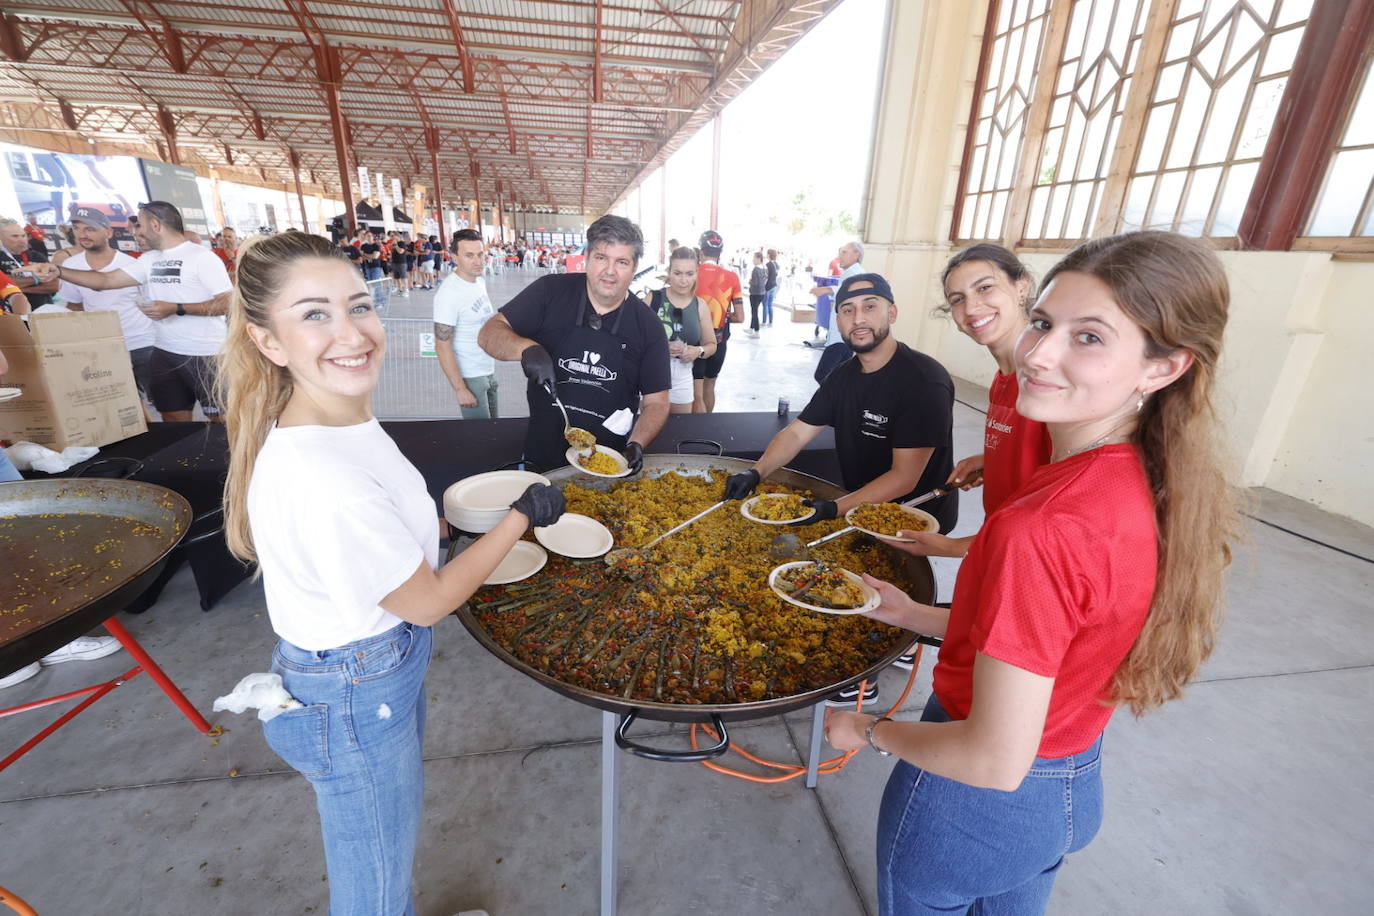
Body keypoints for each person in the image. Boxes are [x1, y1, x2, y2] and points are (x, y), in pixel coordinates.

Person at [825, 232, 1239, 915]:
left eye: (1091, 337)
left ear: (1162, 368)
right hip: (1071, 782)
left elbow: (993, 757)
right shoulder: (1151, 483)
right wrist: (910, 614)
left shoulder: (1040, 525)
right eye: (1045, 323)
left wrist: (866, 730)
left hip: (972, 806)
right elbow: (1049, 643)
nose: (1040, 353)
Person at [218, 230, 562, 916]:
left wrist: (437, 529)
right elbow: (428, 603)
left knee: (388, 849)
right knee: (372, 890)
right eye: (314, 314)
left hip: (371, 672)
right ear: (269, 342)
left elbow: (384, 533)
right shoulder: (319, 472)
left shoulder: (338, 418)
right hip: (352, 688)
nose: (351, 333)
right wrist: (521, 517)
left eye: (357, 306)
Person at [724, 272, 956, 704]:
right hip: (860, 500)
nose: (858, 318)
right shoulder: (843, 375)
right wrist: (757, 473)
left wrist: (835, 510)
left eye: (870, 307)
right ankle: (897, 637)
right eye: (848, 310)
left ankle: (860, 681)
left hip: (913, 514)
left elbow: (905, 478)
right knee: (861, 580)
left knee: (887, 583)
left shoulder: (923, 380)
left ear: (892, 312)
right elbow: (796, 433)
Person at [478, 214, 670, 472]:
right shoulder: (550, 292)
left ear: (634, 268)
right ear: (587, 257)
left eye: (622, 262)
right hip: (542, 454)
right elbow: (489, 333)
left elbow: (657, 402)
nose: (610, 271)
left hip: (608, 462)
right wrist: (526, 349)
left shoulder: (648, 326)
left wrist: (637, 443)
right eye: (601, 258)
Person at [33, 201, 233, 422]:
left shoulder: (201, 257)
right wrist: (58, 270)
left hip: (206, 354)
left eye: (140, 226)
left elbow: (228, 303)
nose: (136, 232)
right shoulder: (149, 259)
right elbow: (105, 281)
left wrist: (176, 308)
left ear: (155, 225)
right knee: (173, 422)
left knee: (222, 422)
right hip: (164, 351)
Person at [56, 207, 157, 402]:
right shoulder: (70, 267)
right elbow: (74, 305)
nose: (82, 234)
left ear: (108, 232)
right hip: (103, 347)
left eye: (90, 229)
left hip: (142, 342)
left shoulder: (132, 264)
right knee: (123, 406)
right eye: (77, 228)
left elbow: (150, 304)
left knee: (163, 404)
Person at [433, 228, 499, 419]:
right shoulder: (449, 294)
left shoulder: (478, 282)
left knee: (495, 431)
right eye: (469, 255)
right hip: (470, 376)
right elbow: (442, 346)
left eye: (480, 254)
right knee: (480, 439)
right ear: (454, 257)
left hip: (487, 369)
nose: (477, 261)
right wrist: (460, 388)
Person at [650, 246, 716, 415]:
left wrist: (697, 351)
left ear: (697, 273)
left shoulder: (700, 305)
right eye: (677, 273)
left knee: (679, 428)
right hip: (652, 372)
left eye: (689, 274)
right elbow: (631, 338)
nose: (683, 280)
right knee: (649, 427)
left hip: (683, 375)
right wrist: (661, 346)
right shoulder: (652, 299)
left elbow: (711, 345)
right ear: (669, 272)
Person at [692, 229, 741, 413]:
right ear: (719, 253)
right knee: (709, 386)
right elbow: (740, 317)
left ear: (701, 252)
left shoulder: (690, 274)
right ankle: (707, 428)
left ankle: (691, 431)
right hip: (719, 341)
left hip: (694, 341)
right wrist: (723, 315)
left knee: (694, 391)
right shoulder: (732, 277)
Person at [811, 240, 865, 381]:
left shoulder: (855, 274)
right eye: (840, 252)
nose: (839, 256)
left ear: (856, 255)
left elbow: (849, 293)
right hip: (844, 336)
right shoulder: (849, 273)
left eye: (844, 252)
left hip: (841, 337)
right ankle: (839, 402)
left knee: (822, 375)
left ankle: (835, 402)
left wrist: (826, 289)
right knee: (839, 377)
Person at [0, 217, 57, 309]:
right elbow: (2, 282)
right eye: (15, 236)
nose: (22, 240)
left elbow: (55, 285)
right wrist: (37, 279)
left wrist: (17, 289)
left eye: (23, 235)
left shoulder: (37, 256)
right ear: (1, 237)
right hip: (14, 315)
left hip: (45, 311)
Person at [747, 251, 765, 335]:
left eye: (754, 258)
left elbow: (755, 282)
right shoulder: (764, 268)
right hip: (762, 292)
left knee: (754, 312)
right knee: (755, 310)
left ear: (758, 259)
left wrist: (750, 281)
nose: (752, 260)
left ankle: (756, 331)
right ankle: (751, 328)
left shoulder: (755, 269)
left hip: (755, 293)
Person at [762, 248, 780, 326]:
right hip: (774, 286)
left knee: (765, 304)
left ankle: (764, 322)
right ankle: (770, 322)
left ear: (769, 255)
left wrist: (762, 285)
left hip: (767, 287)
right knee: (770, 304)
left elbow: (766, 277)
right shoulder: (776, 264)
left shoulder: (768, 265)